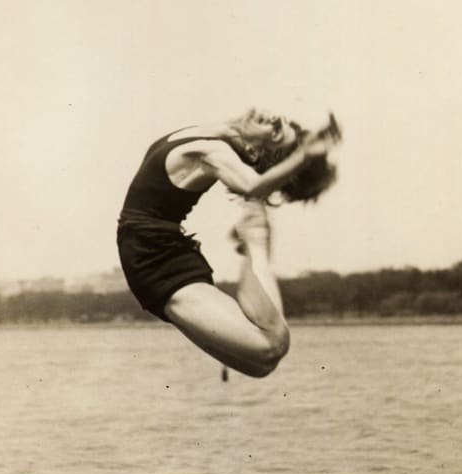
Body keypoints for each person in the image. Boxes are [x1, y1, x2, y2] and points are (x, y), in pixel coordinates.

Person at [117, 108, 341, 378]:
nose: (272, 120)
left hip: (156, 260)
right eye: (280, 121)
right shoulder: (213, 132)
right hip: (154, 254)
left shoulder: (213, 151)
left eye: (276, 132)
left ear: (257, 152)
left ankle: (254, 239)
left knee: (267, 358)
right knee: (270, 351)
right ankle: (254, 238)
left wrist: (303, 156)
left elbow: (252, 186)